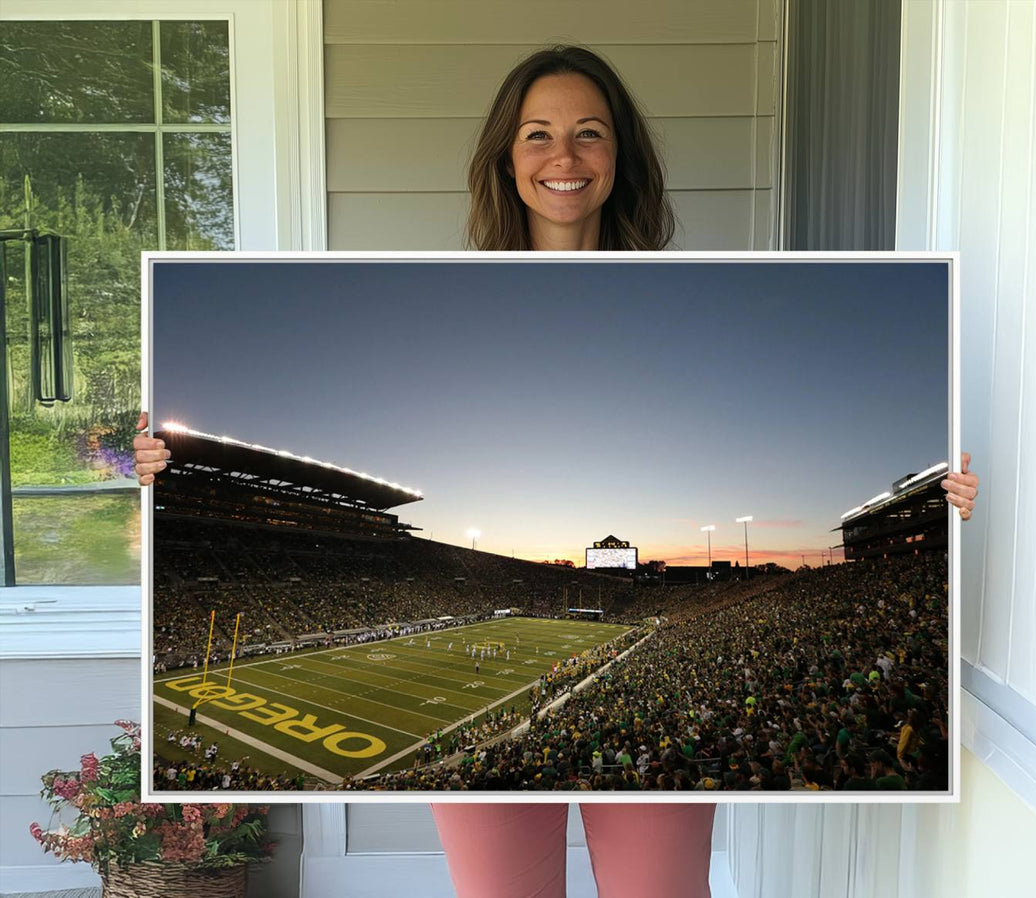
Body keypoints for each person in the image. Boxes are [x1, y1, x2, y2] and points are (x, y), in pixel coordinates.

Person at [133, 43, 979, 898]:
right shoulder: (450, 297)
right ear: (506, 157)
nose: (563, 157)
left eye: (589, 134)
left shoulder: (687, 294)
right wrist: (151, 470)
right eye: (537, 134)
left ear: (621, 157)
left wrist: (945, 511)